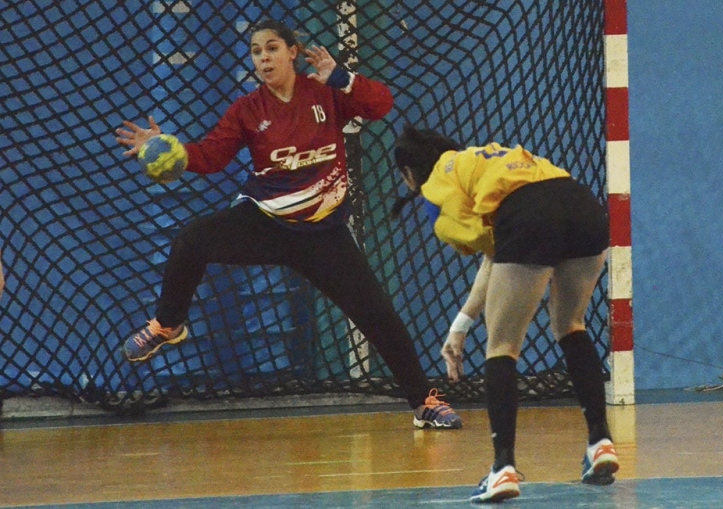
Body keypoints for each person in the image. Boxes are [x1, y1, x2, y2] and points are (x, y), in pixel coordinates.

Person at [114, 20, 462, 430]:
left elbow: (381, 105)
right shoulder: (247, 109)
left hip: (323, 234)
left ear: (292, 52)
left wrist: (343, 78)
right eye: (256, 51)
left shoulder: (325, 93)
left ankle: (423, 403)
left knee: (378, 316)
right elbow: (212, 156)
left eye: (272, 48)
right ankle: (168, 324)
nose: (263, 58)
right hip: (265, 222)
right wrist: (166, 150)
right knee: (193, 239)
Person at [392, 124, 619, 502]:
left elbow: (494, 251)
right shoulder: (487, 159)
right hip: (583, 206)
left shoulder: (437, 187)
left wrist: (462, 326)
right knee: (570, 324)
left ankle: (503, 469)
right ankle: (601, 442)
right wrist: (461, 322)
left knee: (502, 345)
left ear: (409, 174)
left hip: (530, 213)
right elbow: (499, 250)